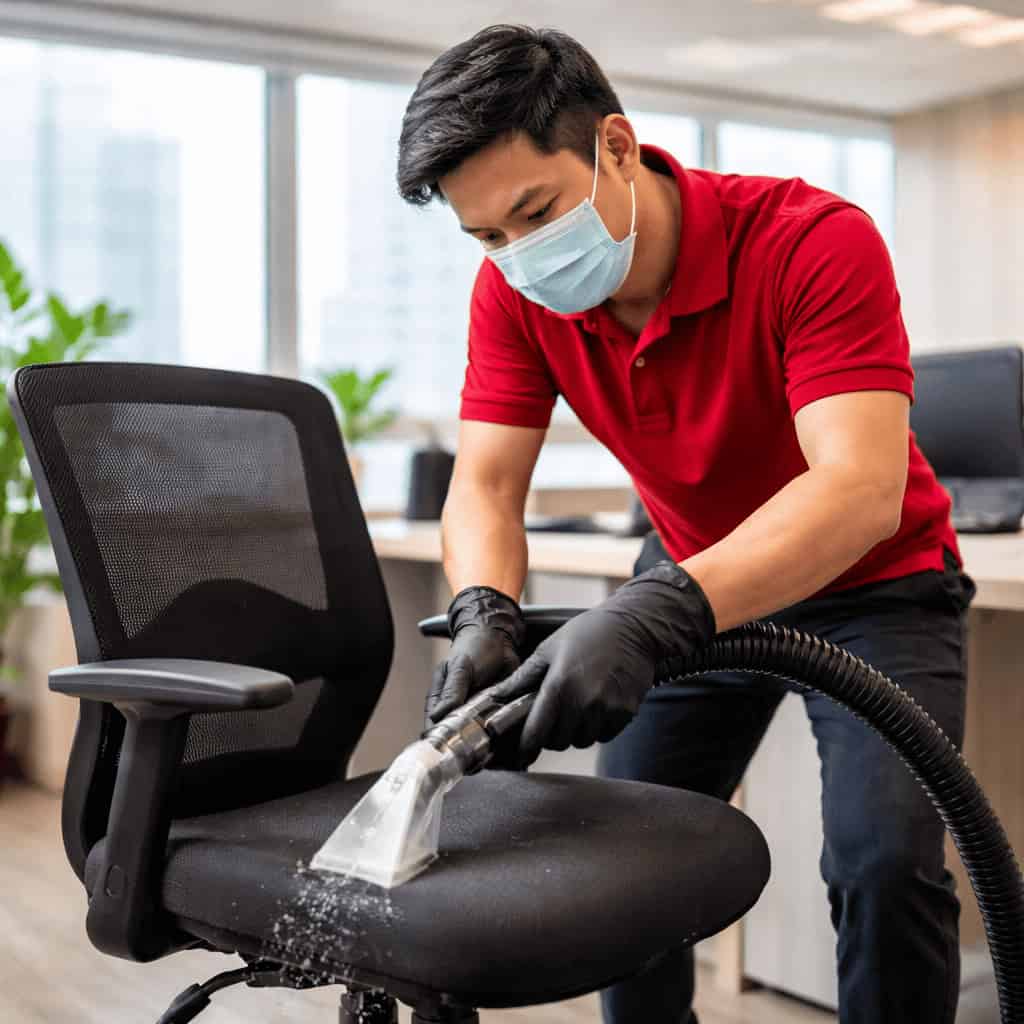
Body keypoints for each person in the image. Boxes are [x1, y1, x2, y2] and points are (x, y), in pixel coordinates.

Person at [397, 23, 974, 1024]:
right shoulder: (515, 293)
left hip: (877, 584)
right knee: (628, 866)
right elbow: (486, 485)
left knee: (882, 862)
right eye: (484, 236)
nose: (516, 257)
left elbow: (855, 488)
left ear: (615, 147)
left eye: (533, 212)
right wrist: (482, 603)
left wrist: (655, 613)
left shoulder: (809, 240)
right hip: (690, 575)